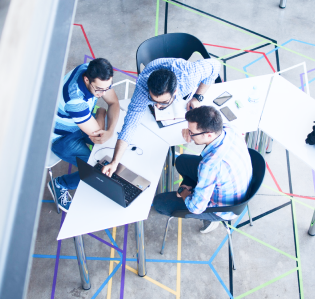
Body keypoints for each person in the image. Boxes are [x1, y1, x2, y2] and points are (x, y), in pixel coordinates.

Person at [101, 58, 221, 177]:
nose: (157, 106)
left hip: (181, 72)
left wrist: (198, 96)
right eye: (153, 100)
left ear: (175, 92)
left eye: (163, 102)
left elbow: (215, 65)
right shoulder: (143, 87)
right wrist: (115, 161)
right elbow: (130, 124)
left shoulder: (189, 76)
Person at [153, 106, 252, 233]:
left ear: (209, 134)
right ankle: (197, 189)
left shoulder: (209, 166)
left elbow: (195, 208)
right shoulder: (229, 129)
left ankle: (210, 220)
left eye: (192, 133)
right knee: (181, 161)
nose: (189, 135)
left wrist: (183, 191)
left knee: (159, 203)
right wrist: (189, 131)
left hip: (223, 209)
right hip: (237, 185)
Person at [48, 58, 120, 212]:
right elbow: (98, 136)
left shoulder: (92, 70)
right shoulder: (75, 100)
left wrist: (110, 129)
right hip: (61, 138)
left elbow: (114, 103)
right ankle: (60, 184)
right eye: (99, 89)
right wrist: (101, 114)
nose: (103, 93)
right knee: (95, 169)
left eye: (107, 88)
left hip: (80, 123)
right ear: (87, 80)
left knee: (110, 147)